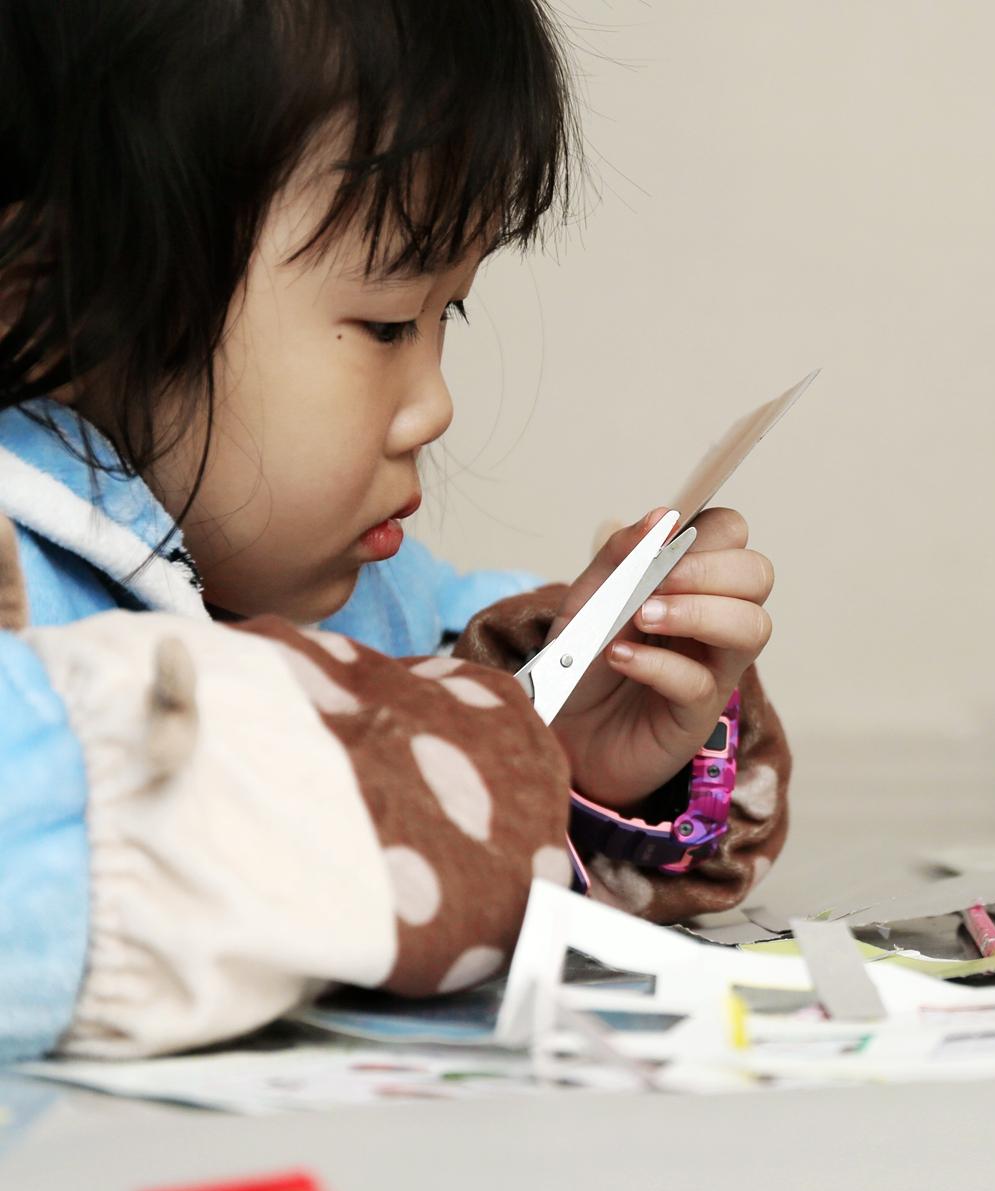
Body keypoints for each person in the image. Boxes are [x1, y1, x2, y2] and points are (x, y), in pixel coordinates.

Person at [0, 0, 791, 1063]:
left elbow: (475, 794)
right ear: (52, 300)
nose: (434, 407)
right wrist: (437, 771)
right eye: (384, 324)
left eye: (443, 316)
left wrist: (568, 757)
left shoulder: (386, 598)